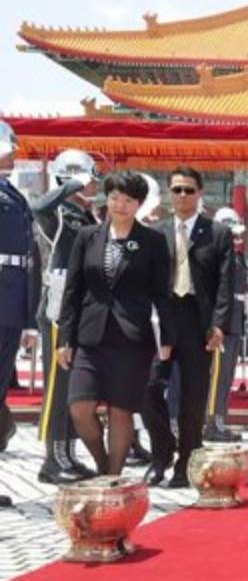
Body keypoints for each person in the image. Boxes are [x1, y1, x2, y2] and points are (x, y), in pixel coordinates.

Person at [58, 171, 176, 476]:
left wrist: (166, 338)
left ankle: (112, 479)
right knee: (80, 408)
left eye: (128, 200)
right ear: (106, 199)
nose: (120, 205)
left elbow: (162, 293)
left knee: (120, 410)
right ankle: (102, 465)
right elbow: (73, 290)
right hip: (90, 336)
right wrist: (65, 339)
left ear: (139, 204)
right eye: (114, 198)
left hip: (131, 338)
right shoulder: (87, 236)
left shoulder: (152, 241)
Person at [142, 167, 234, 488]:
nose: (183, 195)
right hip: (162, 321)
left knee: (193, 398)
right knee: (148, 388)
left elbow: (225, 283)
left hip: (198, 322)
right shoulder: (155, 233)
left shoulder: (218, 233)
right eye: (177, 189)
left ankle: (187, 460)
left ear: (200, 193)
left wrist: (220, 325)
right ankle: (161, 452)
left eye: (189, 190)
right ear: (169, 193)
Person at [31, 149, 101, 483]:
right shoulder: (57, 212)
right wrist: (72, 183)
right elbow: (38, 207)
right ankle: (52, 459)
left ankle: (68, 454)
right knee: (58, 388)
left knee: (74, 388)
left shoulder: (85, 216)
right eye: (91, 179)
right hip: (59, 306)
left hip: (80, 307)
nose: (95, 185)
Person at [0, 121, 41, 508]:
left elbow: (28, 260)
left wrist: (29, 317)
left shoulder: (11, 193)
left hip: (11, 303)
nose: (13, 154)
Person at [204, 206, 248, 443]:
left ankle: (220, 420)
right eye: (232, 234)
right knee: (217, 378)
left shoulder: (235, 256)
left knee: (226, 377)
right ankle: (211, 423)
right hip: (222, 326)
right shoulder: (215, 258)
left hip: (235, 324)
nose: (236, 238)